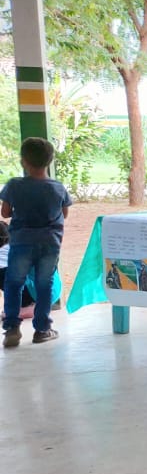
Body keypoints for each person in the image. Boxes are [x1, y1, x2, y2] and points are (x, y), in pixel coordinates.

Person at [2, 135, 72, 347]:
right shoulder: (57, 188)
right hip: (50, 244)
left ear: (23, 160)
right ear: (49, 161)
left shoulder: (14, 186)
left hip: (21, 242)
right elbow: (65, 214)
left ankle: (12, 328)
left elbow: (5, 212)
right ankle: (42, 329)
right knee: (44, 284)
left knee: (14, 283)